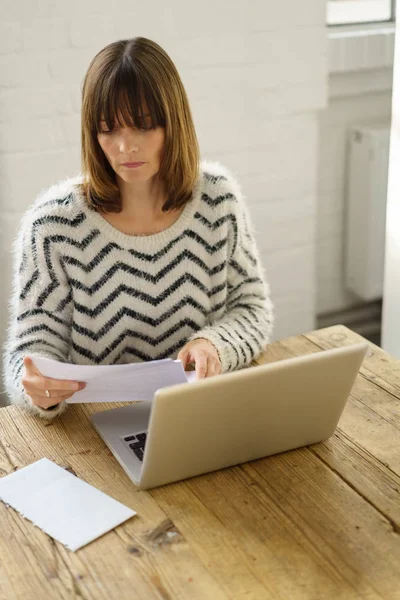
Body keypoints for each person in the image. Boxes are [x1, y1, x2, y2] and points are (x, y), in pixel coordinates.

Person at [2, 37, 274, 420]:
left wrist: (213, 344)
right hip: (95, 428)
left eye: (144, 126)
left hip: (201, 415)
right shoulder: (53, 226)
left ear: (173, 122)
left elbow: (252, 310)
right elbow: (28, 352)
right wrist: (37, 388)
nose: (125, 147)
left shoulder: (217, 200)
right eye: (107, 129)